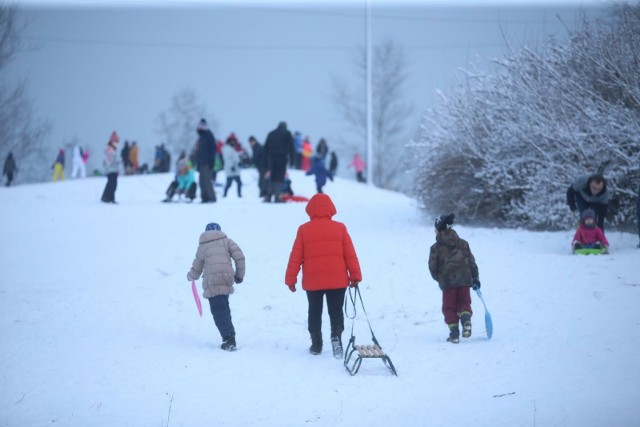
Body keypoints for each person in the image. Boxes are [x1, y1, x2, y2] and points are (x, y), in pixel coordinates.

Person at [285, 193, 362, 357]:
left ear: (310, 210)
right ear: (330, 209)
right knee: (336, 311)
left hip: (313, 280)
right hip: (338, 279)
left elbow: (295, 256)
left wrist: (291, 279)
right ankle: (336, 336)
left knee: (314, 311)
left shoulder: (304, 229)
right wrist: (355, 275)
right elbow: (350, 254)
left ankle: (316, 343)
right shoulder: (340, 228)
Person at [187, 222, 245, 351]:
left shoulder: (203, 247)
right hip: (226, 277)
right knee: (224, 308)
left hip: (212, 281)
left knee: (219, 311)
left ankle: (229, 339)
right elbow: (240, 257)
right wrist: (239, 276)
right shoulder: (227, 241)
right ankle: (229, 334)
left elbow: (197, 267)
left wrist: (191, 276)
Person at [428, 213, 480, 344]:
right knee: (464, 303)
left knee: (449, 307)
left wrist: (440, 278)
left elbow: (432, 267)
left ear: (439, 229)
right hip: (465, 280)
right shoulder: (463, 244)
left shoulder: (435, 248)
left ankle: (454, 333)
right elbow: (471, 262)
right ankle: (466, 318)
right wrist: (475, 278)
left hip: (448, 282)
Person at [263, 121, 294, 203]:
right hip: (282, 158)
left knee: (272, 177)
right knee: (279, 178)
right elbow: (291, 147)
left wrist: (265, 160)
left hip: (271, 158)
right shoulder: (287, 133)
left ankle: (268, 197)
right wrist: (292, 160)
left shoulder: (271, 133)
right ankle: (277, 197)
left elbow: (266, 147)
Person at [195, 119, 217, 203]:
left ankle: (212, 197)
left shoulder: (209, 136)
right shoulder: (200, 138)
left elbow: (213, 150)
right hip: (201, 163)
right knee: (201, 181)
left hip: (208, 163)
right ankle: (204, 197)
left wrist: (212, 162)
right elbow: (198, 152)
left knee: (207, 181)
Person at [101, 131, 120, 203]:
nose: (117, 144)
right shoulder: (109, 149)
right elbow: (110, 159)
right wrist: (116, 161)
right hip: (110, 169)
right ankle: (105, 197)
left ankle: (111, 198)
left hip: (113, 169)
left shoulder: (113, 149)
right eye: (116, 142)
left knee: (113, 184)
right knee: (111, 183)